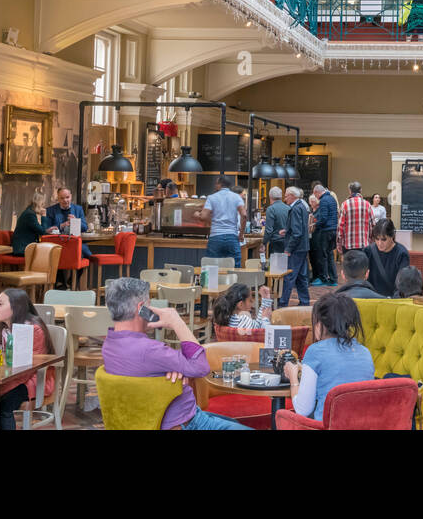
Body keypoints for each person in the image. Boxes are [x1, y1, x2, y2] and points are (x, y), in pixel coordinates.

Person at [100, 276, 249, 429]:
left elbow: (149, 366)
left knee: (235, 423)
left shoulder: (109, 346)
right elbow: (200, 368)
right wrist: (176, 322)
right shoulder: (150, 351)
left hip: (144, 421)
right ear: (141, 308)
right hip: (188, 422)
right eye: (149, 305)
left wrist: (172, 368)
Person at [0, 288, 53, 430]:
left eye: (0, 304)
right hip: (3, 378)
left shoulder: (33, 329)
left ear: (16, 307)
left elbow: (27, 370)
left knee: (2, 406)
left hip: (32, 379)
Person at [283, 292, 374, 420]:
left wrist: (293, 377)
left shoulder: (315, 352)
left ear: (320, 324)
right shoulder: (365, 352)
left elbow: (302, 409)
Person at [277, 186, 311, 309]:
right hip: (303, 247)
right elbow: (300, 228)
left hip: (296, 248)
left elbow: (297, 233)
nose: (285, 198)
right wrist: (287, 231)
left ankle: (283, 303)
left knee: (289, 276)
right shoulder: (302, 206)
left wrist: (288, 249)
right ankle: (304, 301)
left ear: (292, 196)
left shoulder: (295, 209)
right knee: (301, 276)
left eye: (286, 196)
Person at [198, 175, 245, 261]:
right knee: (234, 267)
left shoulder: (212, 197)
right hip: (232, 236)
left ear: (220, 184)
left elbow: (203, 216)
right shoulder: (237, 197)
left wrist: (197, 214)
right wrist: (241, 234)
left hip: (216, 236)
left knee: (212, 268)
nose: (215, 186)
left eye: (216, 183)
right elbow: (244, 215)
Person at [363, 218, 410, 298]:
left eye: (383, 239)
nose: (379, 243)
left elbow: (402, 284)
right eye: (377, 239)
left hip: (391, 300)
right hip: (372, 299)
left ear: (392, 236)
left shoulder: (401, 254)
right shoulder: (368, 251)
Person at [44, 187, 95, 258]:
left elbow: (85, 228)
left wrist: (75, 221)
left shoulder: (78, 209)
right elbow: (46, 229)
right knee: (80, 254)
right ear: (58, 198)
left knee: (82, 254)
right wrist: (61, 225)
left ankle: (79, 267)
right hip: (58, 244)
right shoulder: (50, 210)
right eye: (62, 198)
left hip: (75, 243)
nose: (65, 200)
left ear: (71, 196)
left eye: (67, 197)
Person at [310, 181, 339, 286]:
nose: (315, 197)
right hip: (333, 230)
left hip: (326, 231)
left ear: (317, 192)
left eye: (315, 194)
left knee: (322, 255)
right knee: (330, 255)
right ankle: (333, 279)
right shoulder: (332, 199)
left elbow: (323, 218)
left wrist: (315, 224)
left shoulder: (323, 200)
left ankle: (323, 278)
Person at [337, 182, 374, 257]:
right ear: (361, 190)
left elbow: (340, 226)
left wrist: (339, 243)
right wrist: (371, 240)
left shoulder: (345, 204)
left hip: (348, 245)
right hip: (364, 244)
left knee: (349, 268)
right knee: (363, 267)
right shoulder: (367, 204)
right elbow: (372, 225)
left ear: (350, 191)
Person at [11, 193, 46, 258]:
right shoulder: (29, 215)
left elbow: (39, 229)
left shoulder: (29, 212)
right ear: (38, 204)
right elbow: (42, 232)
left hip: (26, 247)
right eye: (42, 204)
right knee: (47, 253)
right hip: (22, 249)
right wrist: (43, 216)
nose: (43, 207)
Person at [264, 185, 289, 259]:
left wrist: (264, 243)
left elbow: (269, 230)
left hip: (276, 242)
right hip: (287, 242)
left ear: (270, 197)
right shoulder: (289, 208)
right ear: (281, 196)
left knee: (275, 268)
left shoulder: (271, 209)